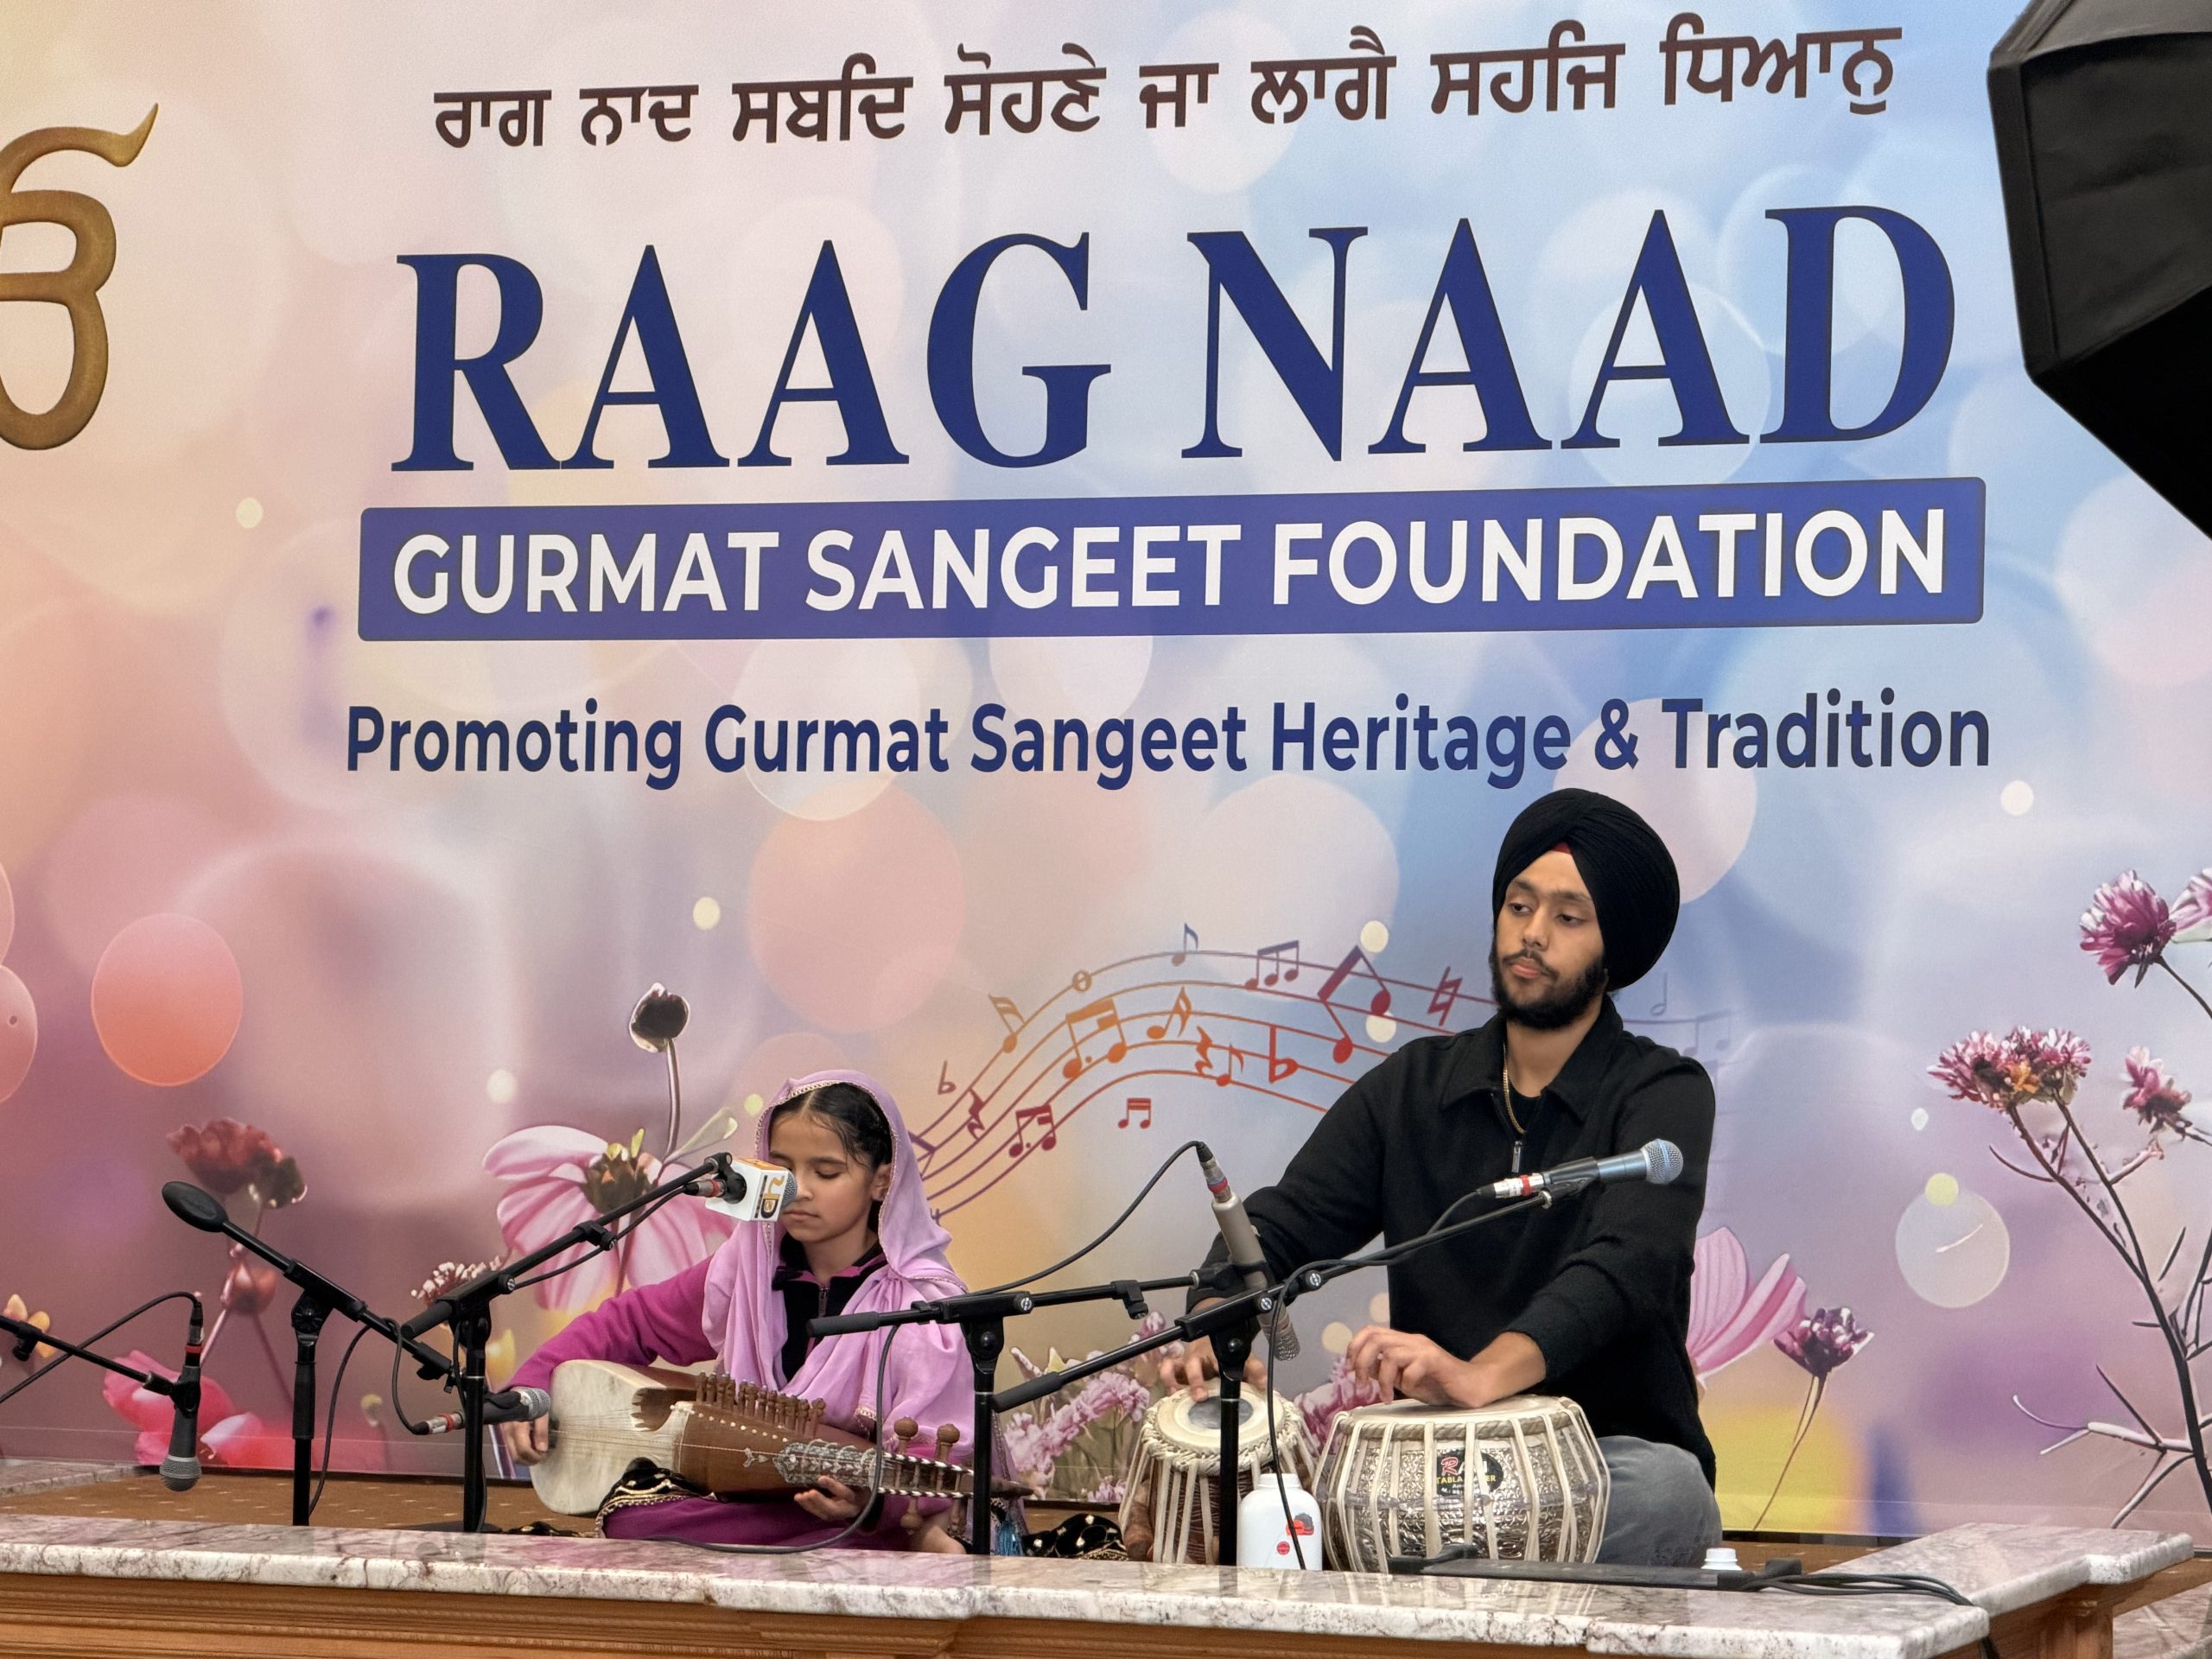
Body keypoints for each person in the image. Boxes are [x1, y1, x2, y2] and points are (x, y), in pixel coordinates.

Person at [1166, 789, 1722, 1567]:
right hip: (1436, 1481)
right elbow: (1287, 1223)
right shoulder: (1415, 1088)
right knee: (1287, 1503)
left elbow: (1629, 1265)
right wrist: (1213, 1316)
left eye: (1568, 917)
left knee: (1669, 1492)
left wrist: (1480, 1374)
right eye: (1519, 906)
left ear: (1613, 951)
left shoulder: (1662, 1092)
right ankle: (1447, 1573)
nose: (1532, 932)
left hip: (1603, 1465)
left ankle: (1435, 1578)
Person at [504, 1071, 971, 1549]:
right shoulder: (745, 1272)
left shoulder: (920, 1303)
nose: (798, 1190)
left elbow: (941, 1454)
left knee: (878, 1536)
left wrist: (867, 1505)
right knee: (635, 1522)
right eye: (782, 1169)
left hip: (867, 1515)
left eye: (826, 1173)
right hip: (756, 1503)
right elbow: (632, 1322)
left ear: (881, 1181)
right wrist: (534, 1384)